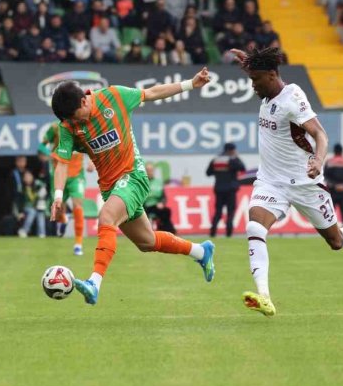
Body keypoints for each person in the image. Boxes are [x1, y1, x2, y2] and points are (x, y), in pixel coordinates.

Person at [229, 47, 343, 317]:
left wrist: (318, 161)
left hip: (304, 183)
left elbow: (320, 133)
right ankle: (264, 296)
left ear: (271, 75)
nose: (252, 85)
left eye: (255, 79)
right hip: (270, 182)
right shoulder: (267, 89)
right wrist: (249, 63)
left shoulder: (292, 98)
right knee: (254, 225)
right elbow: (258, 72)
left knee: (336, 240)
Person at [48, 69, 216, 306]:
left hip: (133, 176)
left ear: (85, 100)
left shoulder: (115, 96)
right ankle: (201, 251)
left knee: (106, 216)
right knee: (147, 242)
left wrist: (190, 84)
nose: (77, 123)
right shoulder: (68, 127)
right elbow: (62, 164)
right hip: (110, 187)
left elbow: (152, 92)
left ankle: (94, 283)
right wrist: (57, 195)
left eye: (77, 116)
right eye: (71, 120)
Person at [42, 121, 87, 255]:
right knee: (58, 207)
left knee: (77, 204)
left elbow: (91, 145)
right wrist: (49, 153)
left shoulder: (82, 125)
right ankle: (63, 219)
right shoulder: (55, 127)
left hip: (76, 174)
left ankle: (78, 244)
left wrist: (91, 163)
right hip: (59, 172)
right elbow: (41, 145)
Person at [206, 143, 246, 237]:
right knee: (230, 212)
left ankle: (213, 233)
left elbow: (208, 173)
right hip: (230, 190)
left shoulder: (215, 160)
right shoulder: (233, 160)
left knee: (218, 212)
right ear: (231, 150)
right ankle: (228, 234)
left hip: (219, 189)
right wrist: (237, 157)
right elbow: (243, 168)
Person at [143, 162, 176, 233]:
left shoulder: (158, 182)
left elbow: (163, 196)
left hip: (156, 205)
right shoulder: (142, 182)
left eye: (151, 170)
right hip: (145, 206)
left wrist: (161, 203)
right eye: (148, 170)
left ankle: (166, 230)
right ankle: (168, 231)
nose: (149, 172)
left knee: (166, 211)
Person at [17, 170, 46, 238]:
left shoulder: (37, 184)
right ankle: (24, 230)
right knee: (32, 212)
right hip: (27, 207)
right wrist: (20, 212)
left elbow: (44, 189)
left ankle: (42, 233)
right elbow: (19, 201)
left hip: (38, 206)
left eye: (29, 176)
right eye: (26, 177)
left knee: (40, 214)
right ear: (23, 179)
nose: (28, 178)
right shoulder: (22, 187)